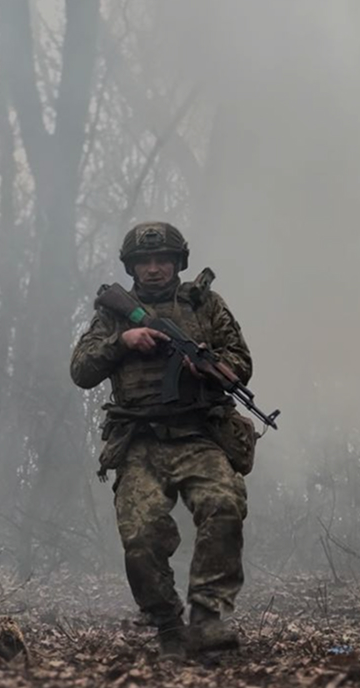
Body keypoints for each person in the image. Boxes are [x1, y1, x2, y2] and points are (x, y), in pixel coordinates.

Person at [70, 222, 254, 658]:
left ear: (178, 263)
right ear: (132, 267)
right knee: (141, 537)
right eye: (144, 262)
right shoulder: (114, 313)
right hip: (139, 440)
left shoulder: (205, 305)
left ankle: (208, 618)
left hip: (198, 433)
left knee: (223, 507)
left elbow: (240, 363)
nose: (153, 269)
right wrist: (122, 341)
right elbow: (81, 370)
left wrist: (207, 367)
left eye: (162, 261)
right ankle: (169, 625)